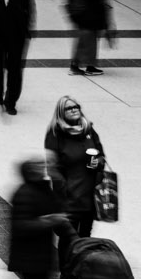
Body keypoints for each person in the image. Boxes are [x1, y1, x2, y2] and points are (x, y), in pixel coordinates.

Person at [43, 94, 107, 239]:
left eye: (76, 107)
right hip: (70, 199)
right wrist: (64, 192)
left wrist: (98, 162)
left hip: (89, 197)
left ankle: (81, 262)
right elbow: (52, 168)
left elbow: (101, 155)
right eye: (68, 108)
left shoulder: (88, 130)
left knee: (85, 238)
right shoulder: (55, 134)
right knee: (68, 239)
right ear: (61, 113)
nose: (73, 110)